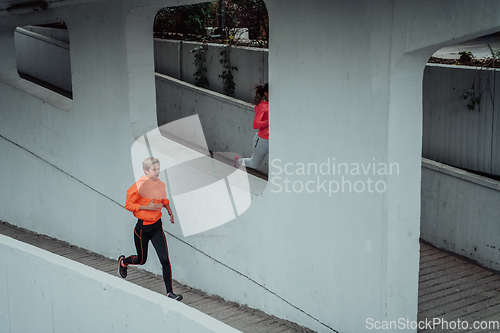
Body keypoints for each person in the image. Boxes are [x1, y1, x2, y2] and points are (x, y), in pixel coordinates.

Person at [118, 157, 183, 301]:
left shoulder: (160, 185)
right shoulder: (139, 186)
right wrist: (147, 207)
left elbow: (163, 198)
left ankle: (169, 293)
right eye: (154, 169)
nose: (157, 172)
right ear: (146, 171)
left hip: (156, 227)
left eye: (159, 169)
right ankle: (123, 262)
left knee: (165, 260)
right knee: (141, 260)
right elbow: (128, 204)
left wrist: (169, 209)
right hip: (142, 230)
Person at [233, 82, 269, 169]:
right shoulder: (262, 106)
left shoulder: (276, 105)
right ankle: (238, 161)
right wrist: (268, 122)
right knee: (254, 164)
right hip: (263, 140)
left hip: (274, 139)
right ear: (265, 93)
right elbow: (255, 124)